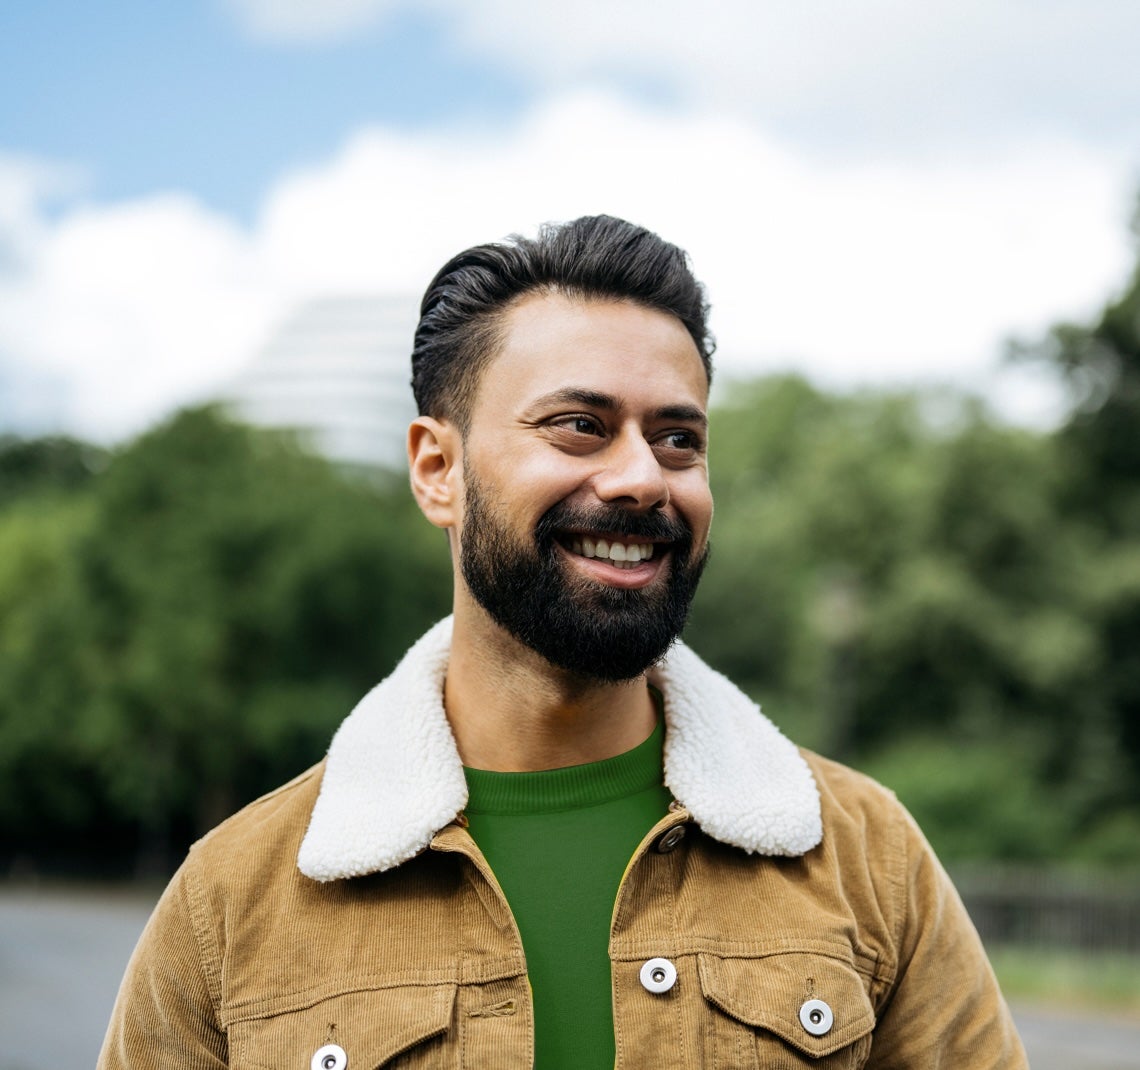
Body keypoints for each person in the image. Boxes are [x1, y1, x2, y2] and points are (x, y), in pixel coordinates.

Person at [100, 215, 1028, 1068]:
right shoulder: (231, 899)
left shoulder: (869, 857)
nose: (640, 478)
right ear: (437, 469)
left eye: (677, 440)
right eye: (580, 427)